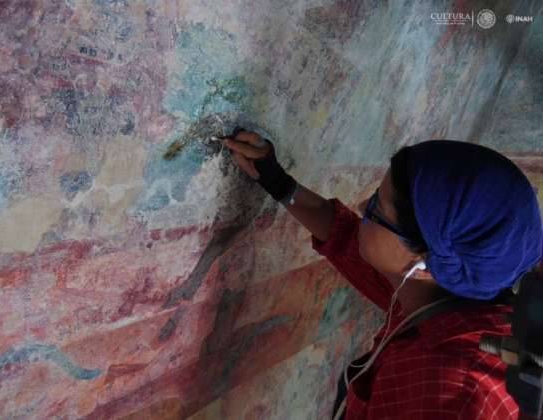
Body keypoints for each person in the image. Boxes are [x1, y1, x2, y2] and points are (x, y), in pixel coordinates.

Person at [222, 128, 543, 420]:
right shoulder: (451, 295)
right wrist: (276, 180)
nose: (361, 206)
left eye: (376, 208)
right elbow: (345, 236)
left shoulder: (446, 386)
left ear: (423, 265)